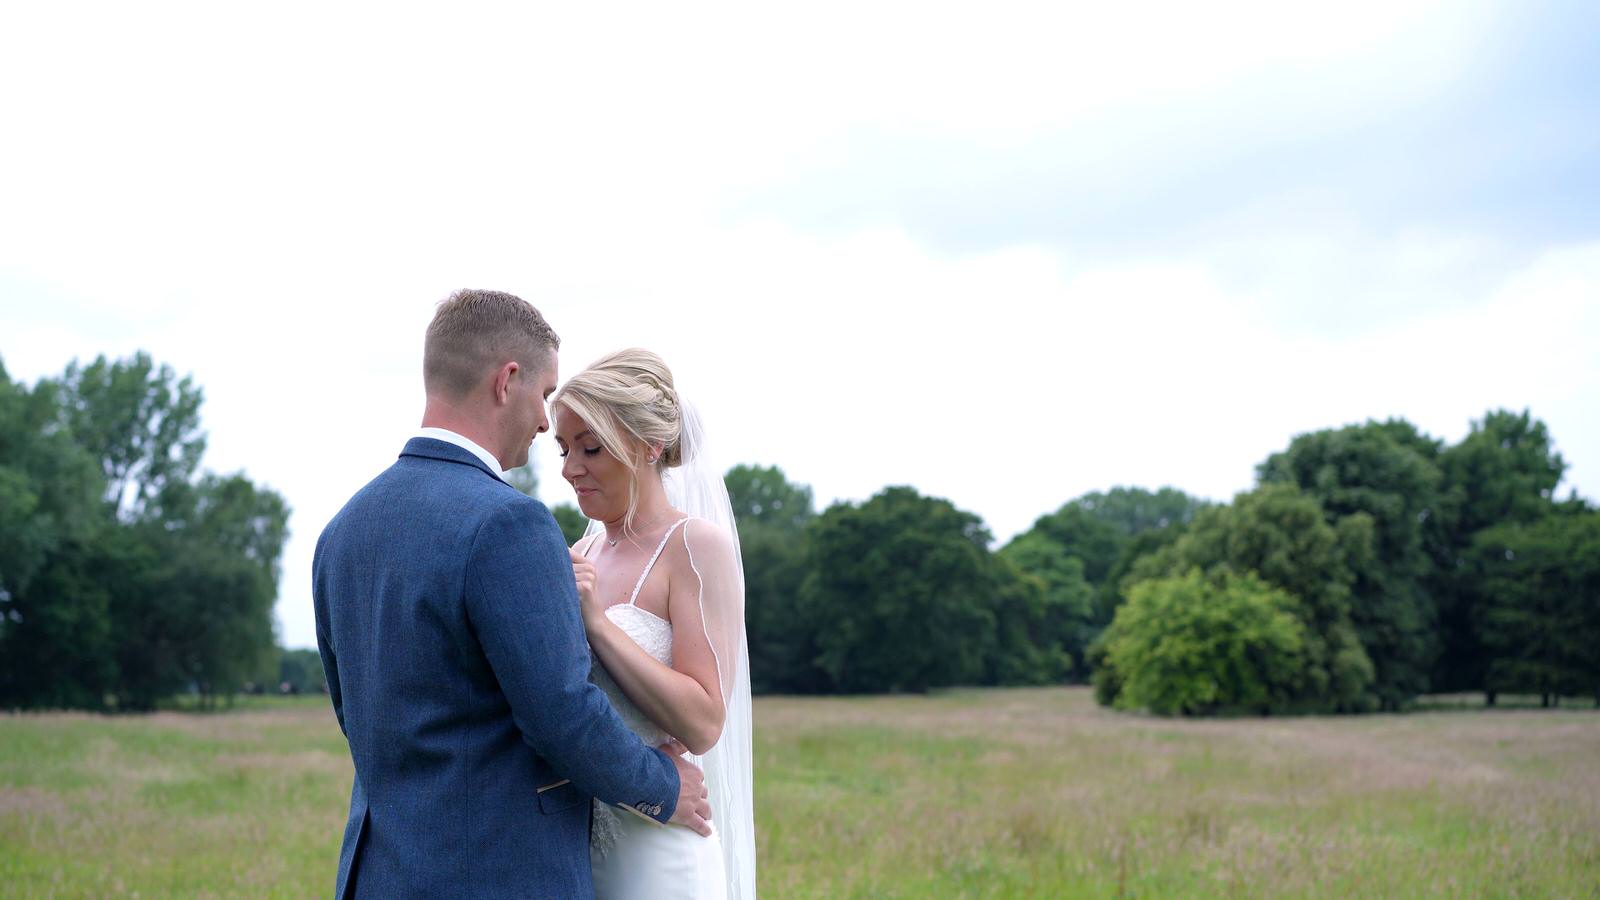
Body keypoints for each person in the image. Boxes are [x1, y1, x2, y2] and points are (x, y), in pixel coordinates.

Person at [312, 291, 711, 899]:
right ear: (507, 382)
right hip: (495, 874)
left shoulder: (342, 532)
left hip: (377, 877)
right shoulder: (509, 525)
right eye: (546, 394)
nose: (547, 420)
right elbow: (562, 715)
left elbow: (356, 716)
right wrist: (662, 785)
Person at [551, 349, 755, 900]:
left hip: (661, 857)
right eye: (564, 448)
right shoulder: (579, 551)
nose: (570, 468)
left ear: (648, 446)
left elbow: (705, 721)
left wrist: (597, 624)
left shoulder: (694, 548)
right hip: (579, 850)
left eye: (590, 448)